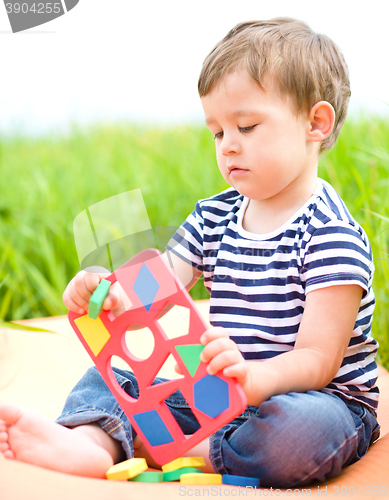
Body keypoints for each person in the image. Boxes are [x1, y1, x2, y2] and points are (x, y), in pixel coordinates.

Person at [0, 18, 380, 487]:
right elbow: (156, 288)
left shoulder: (330, 233)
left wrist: (257, 380)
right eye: (218, 133)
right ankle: (90, 443)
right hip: (218, 397)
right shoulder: (212, 215)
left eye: (246, 125)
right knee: (110, 381)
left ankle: (173, 447)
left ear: (315, 123)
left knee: (302, 431)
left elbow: (319, 359)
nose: (229, 146)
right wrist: (107, 291)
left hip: (312, 398)